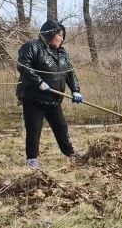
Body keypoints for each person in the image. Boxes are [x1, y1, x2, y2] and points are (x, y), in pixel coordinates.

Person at [16, 19, 84, 169]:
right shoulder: (32, 47)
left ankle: (70, 154)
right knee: (34, 129)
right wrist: (39, 82)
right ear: (50, 34)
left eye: (63, 35)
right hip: (33, 98)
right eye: (59, 35)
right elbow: (23, 66)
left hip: (54, 98)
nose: (62, 38)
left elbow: (69, 73)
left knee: (61, 127)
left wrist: (76, 90)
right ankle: (32, 159)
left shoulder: (62, 52)